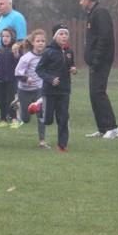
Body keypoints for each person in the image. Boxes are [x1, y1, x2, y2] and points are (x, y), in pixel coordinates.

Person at [80, 0, 118, 139]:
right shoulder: (92, 14)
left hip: (101, 61)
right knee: (93, 94)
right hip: (94, 62)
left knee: (99, 92)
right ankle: (103, 128)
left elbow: (105, 38)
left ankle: (113, 127)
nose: (80, 3)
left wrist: (96, 58)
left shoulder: (101, 13)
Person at [35, 24, 76, 152]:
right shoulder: (48, 52)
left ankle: (62, 145)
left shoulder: (69, 52)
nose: (64, 36)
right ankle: (39, 109)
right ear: (55, 36)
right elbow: (39, 69)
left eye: (66, 34)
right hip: (49, 91)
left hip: (64, 91)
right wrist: (51, 79)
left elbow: (71, 65)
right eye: (61, 34)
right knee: (48, 120)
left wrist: (73, 69)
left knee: (63, 117)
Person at [14, 29, 46, 147]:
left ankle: (42, 141)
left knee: (41, 113)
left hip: (39, 89)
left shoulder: (46, 56)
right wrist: (26, 78)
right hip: (24, 90)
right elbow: (17, 74)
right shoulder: (26, 58)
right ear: (33, 43)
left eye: (43, 41)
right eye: (38, 41)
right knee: (26, 119)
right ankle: (19, 106)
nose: (41, 43)